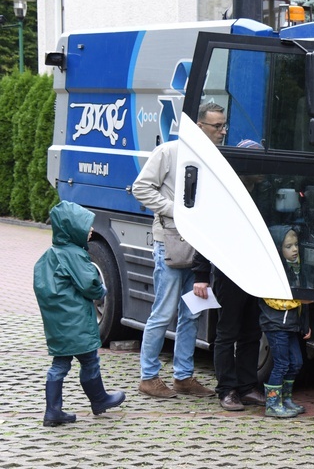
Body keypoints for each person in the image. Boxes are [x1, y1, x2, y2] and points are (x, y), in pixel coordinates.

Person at [132, 102, 227, 398]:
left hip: (199, 248)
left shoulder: (215, 156)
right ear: (200, 127)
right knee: (163, 312)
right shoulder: (168, 152)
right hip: (171, 243)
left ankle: (183, 377)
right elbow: (141, 188)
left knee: (193, 313)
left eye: (224, 125)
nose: (223, 131)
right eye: (217, 126)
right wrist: (176, 211)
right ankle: (148, 378)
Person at [34, 201, 126, 426]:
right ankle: (99, 399)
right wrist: (101, 290)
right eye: (86, 227)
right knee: (90, 361)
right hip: (76, 323)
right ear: (72, 229)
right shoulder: (74, 255)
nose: (91, 231)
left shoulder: (50, 255)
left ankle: (53, 410)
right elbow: (90, 284)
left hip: (58, 323)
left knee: (60, 364)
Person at [192, 138, 266, 411]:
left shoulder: (263, 191)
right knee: (227, 332)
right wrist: (201, 275)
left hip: (257, 272)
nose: (263, 170)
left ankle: (247, 387)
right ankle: (226, 389)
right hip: (228, 273)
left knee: (251, 331)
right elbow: (205, 235)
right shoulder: (223, 194)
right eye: (257, 164)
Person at [259, 225, 312, 418]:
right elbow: (272, 299)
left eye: (296, 245)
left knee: (296, 362)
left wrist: (305, 324)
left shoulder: (297, 269)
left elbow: (304, 303)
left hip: (291, 325)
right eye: (288, 246)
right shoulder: (272, 271)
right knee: (281, 363)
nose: (295, 249)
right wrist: (299, 299)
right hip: (275, 325)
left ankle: (286, 399)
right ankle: (272, 404)